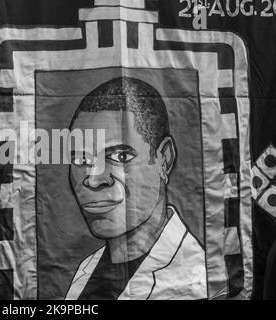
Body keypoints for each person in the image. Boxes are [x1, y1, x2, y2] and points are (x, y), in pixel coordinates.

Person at [65, 76, 207, 300]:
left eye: (120, 156)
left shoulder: (201, 280)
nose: (93, 180)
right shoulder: (86, 269)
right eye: (82, 161)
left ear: (164, 159)